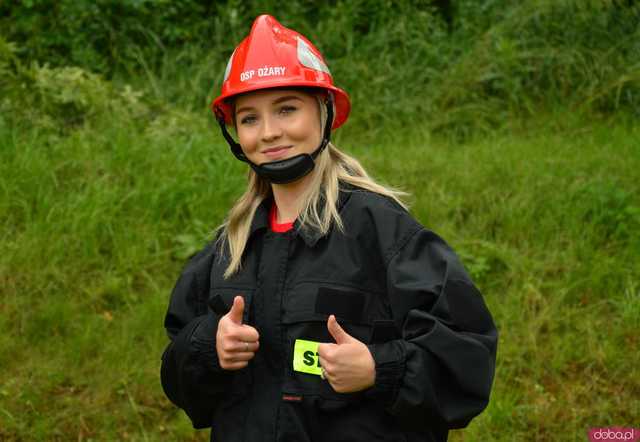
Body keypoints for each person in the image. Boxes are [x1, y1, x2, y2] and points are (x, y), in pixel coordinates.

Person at [161, 14, 498, 442]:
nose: (268, 133)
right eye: (249, 118)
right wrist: (209, 346)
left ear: (325, 112)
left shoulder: (382, 232)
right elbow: (176, 376)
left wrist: (381, 369)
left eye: (286, 109)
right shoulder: (228, 250)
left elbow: (468, 359)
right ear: (234, 132)